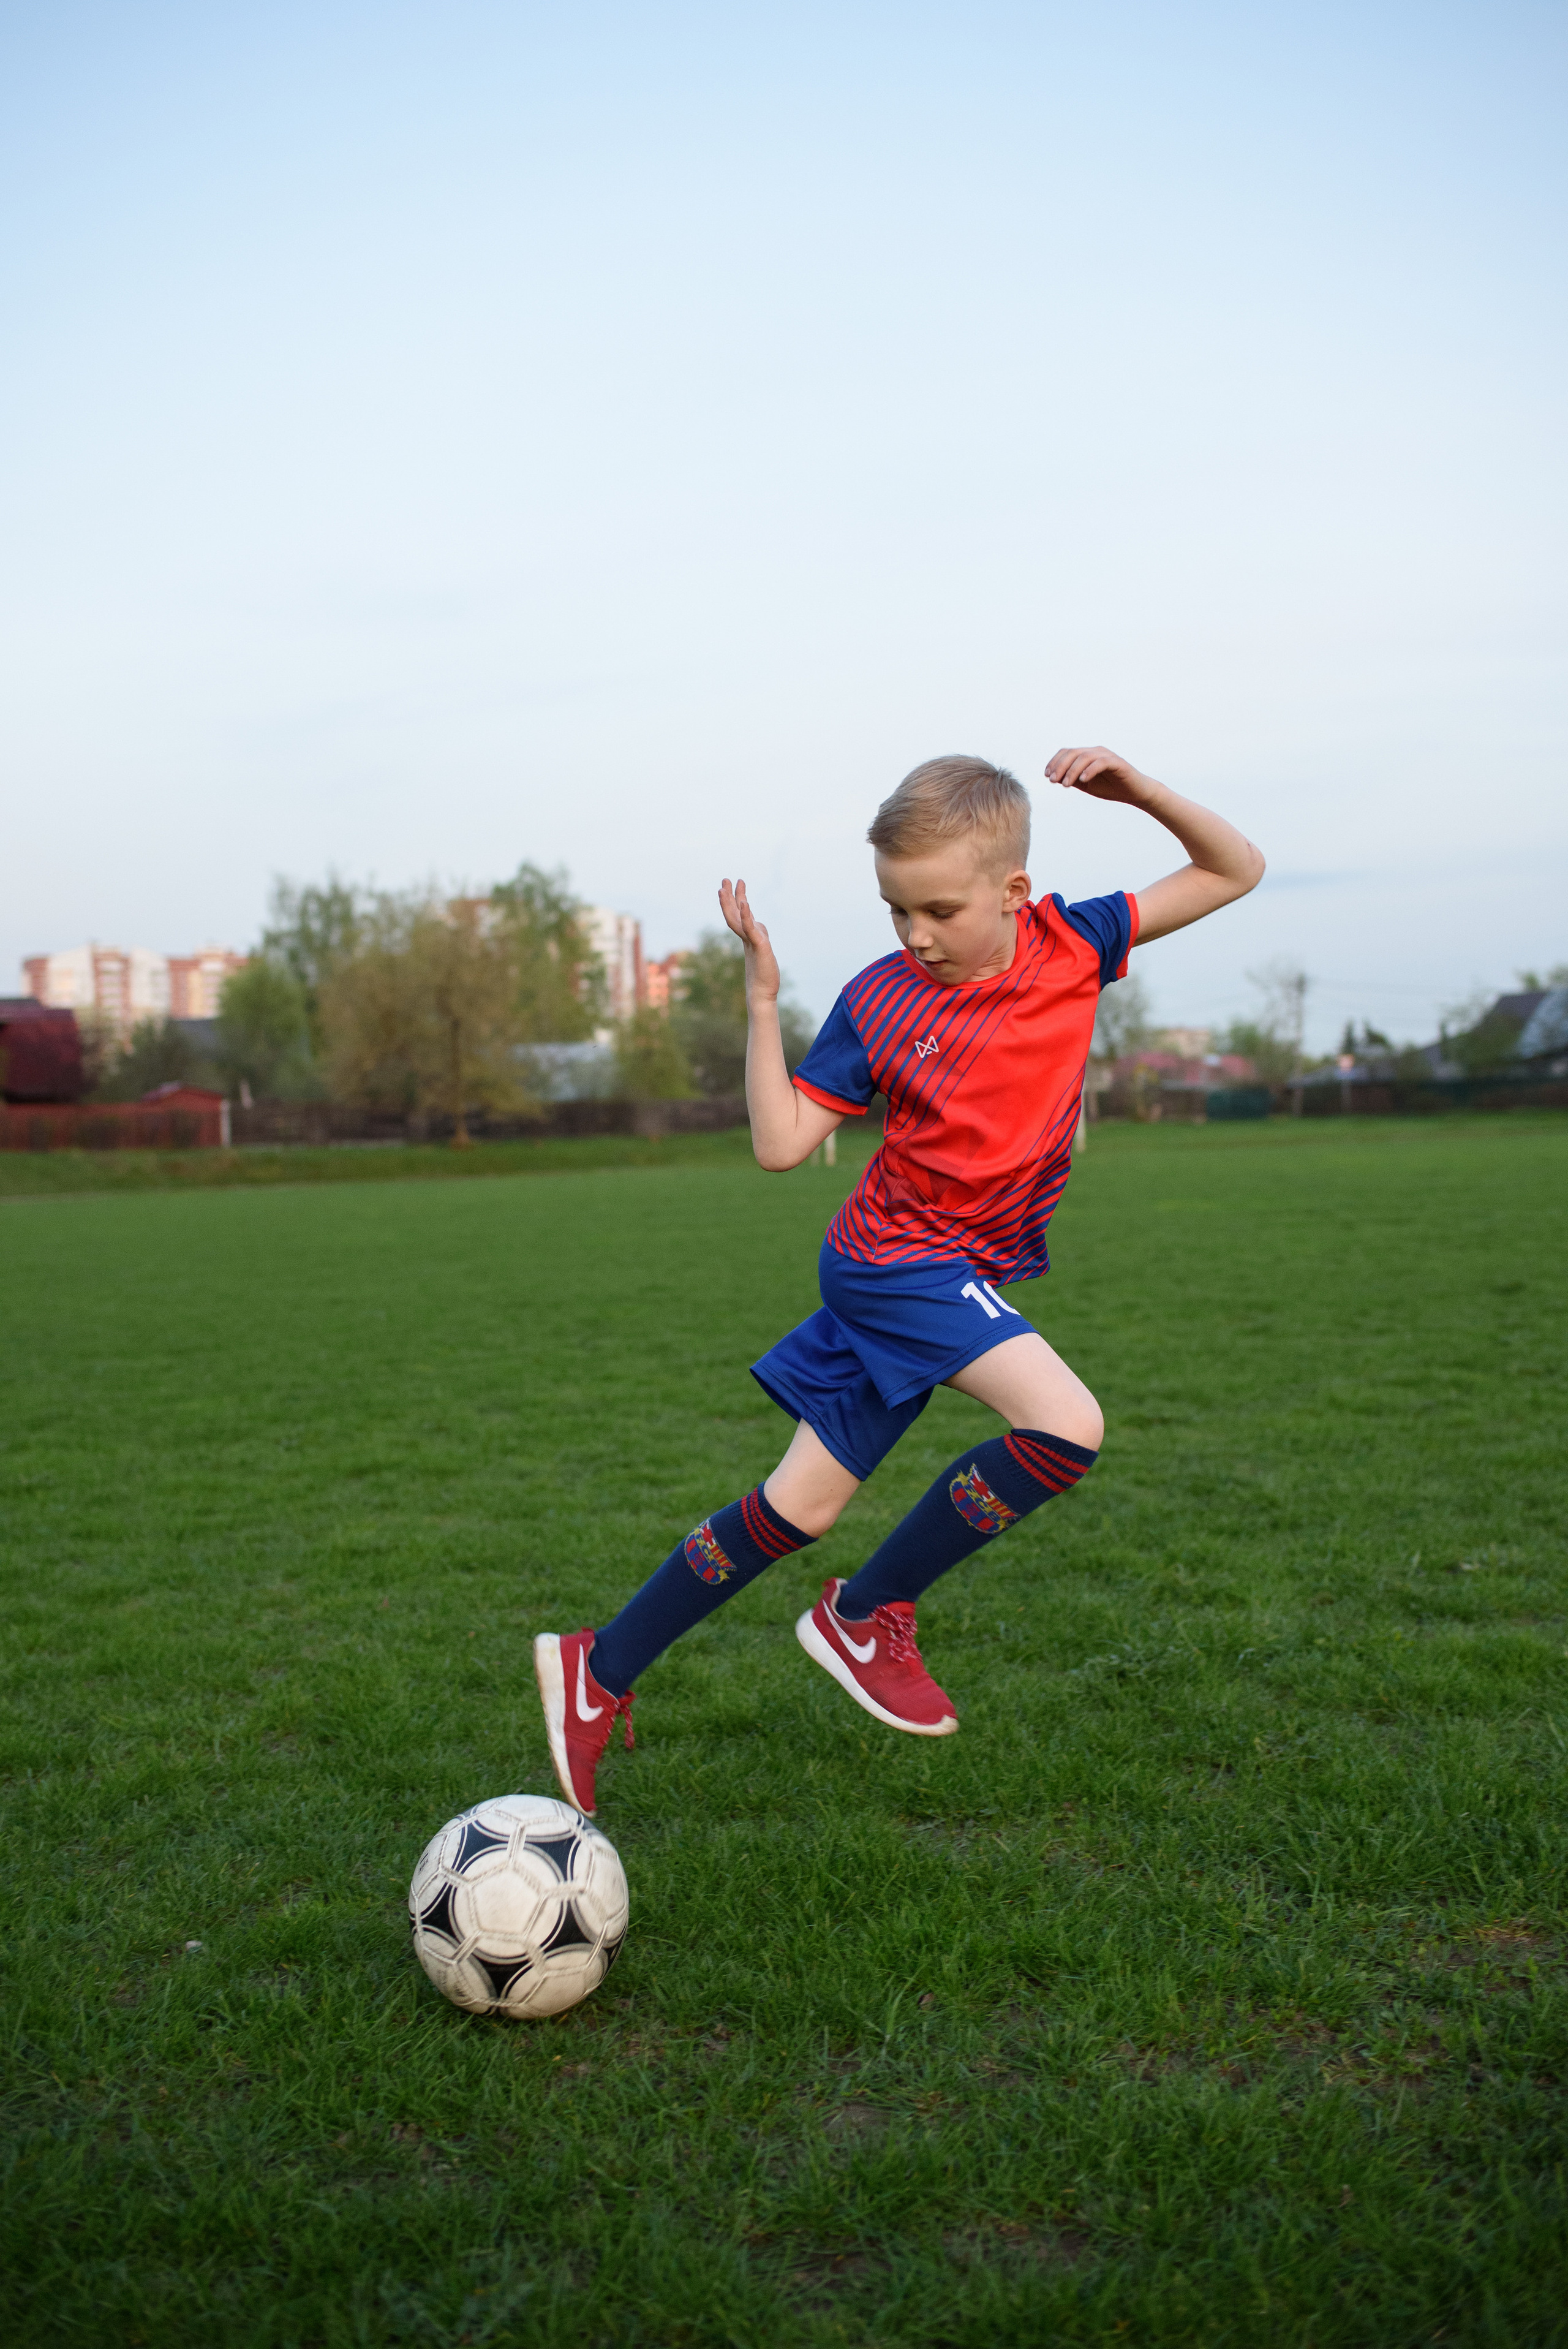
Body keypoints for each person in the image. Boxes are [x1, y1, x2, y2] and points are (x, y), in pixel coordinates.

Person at [535, 747, 1264, 1813]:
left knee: (801, 1504)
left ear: (1014, 892)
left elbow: (1232, 869)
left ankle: (596, 1671)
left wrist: (1142, 792)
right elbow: (784, 1143)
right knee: (1067, 1428)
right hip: (893, 1262)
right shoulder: (879, 1001)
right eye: (894, 910)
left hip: (945, 1266)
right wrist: (763, 1001)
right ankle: (865, 1614)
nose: (914, 934)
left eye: (937, 908)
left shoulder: (1074, 939)